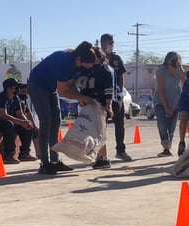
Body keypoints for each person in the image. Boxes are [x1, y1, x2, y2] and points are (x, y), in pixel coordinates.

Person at [27, 41, 99, 175]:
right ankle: (44, 163)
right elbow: (63, 92)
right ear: (79, 60)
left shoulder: (75, 62)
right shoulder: (65, 61)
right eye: (85, 66)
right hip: (37, 86)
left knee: (56, 121)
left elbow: (71, 84)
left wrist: (80, 97)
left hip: (50, 87)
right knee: (46, 122)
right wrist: (83, 98)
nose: (86, 69)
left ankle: (55, 161)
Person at [75, 47, 115, 169]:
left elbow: (109, 89)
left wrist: (108, 105)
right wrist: (80, 98)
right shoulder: (85, 69)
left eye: (96, 59)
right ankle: (96, 155)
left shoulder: (106, 69)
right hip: (87, 103)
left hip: (100, 103)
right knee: (89, 131)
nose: (94, 62)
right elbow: (78, 84)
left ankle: (103, 158)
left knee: (99, 131)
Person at [0, 78, 34, 164]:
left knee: (28, 125)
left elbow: (20, 114)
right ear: (9, 88)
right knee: (9, 124)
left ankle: (24, 153)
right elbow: (3, 115)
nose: (18, 89)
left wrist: (26, 122)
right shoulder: (1, 98)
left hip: (7, 121)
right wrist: (21, 122)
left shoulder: (16, 98)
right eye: (16, 87)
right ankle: (9, 155)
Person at [99, 33, 132, 162]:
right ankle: (100, 153)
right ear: (102, 43)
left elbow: (120, 76)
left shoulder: (116, 58)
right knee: (101, 125)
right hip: (102, 97)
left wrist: (120, 93)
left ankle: (121, 150)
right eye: (109, 42)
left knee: (120, 123)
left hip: (116, 96)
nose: (111, 45)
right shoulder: (97, 58)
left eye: (112, 43)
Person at [152, 51, 186, 157]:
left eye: (177, 65)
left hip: (176, 100)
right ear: (168, 63)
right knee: (162, 124)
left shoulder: (179, 71)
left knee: (171, 126)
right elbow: (161, 91)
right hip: (161, 101)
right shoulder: (160, 72)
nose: (174, 69)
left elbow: (185, 83)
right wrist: (166, 107)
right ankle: (166, 147)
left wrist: (181, 69)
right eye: (174, 65)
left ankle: (168, 148)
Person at [16, 83, 39, 161]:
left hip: (22, 121)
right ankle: (24, 153)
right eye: (23, 91)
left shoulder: (24, 100)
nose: (25, 93)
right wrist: (26, 122)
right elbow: (19, 114)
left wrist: (35, 125)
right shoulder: (17, 99)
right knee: (28, 128)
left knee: (35, 130)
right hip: (16, 121)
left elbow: (29, 113)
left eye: (26, 91)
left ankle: (39, 154)